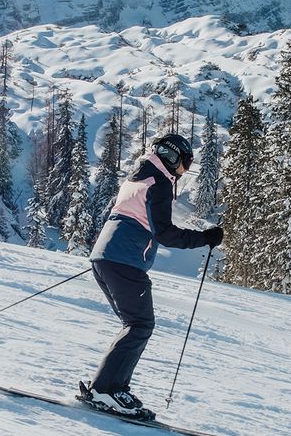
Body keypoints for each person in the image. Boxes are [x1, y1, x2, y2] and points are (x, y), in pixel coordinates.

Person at [79, 133, 223, 420]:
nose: (186, 168)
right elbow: (165, 233)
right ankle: (107, 389)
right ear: (174, 157)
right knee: (140, 324)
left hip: (106, 258)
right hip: (125, 262)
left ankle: (110, 387)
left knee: (134, 324)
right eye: (186, 161)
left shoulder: (139, 176)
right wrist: (205, 238)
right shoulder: (158, 184)